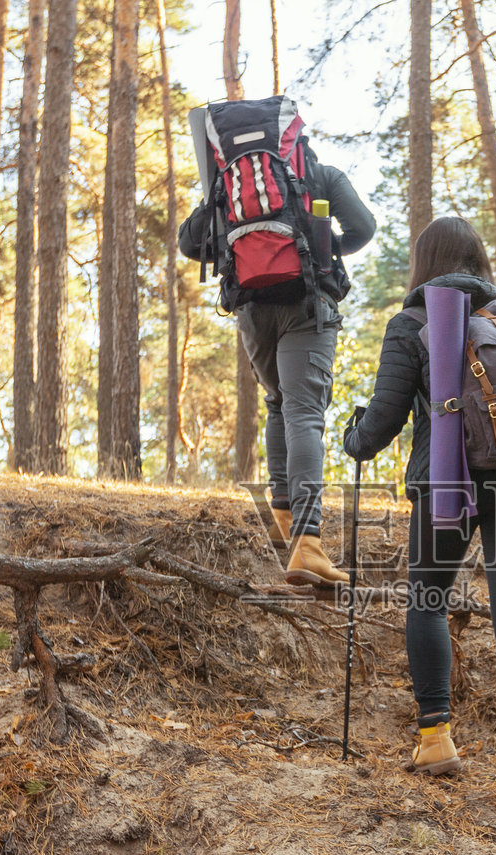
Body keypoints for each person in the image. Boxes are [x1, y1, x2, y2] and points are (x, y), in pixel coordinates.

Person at [343, 216, 496, 810]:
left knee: (428, 599)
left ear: (423, 263)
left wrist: (352, 436)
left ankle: (435, 739)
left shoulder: (411, 322)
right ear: (480, 260)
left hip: (447, 481)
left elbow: (380, 424)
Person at [179, 131, 376, 587]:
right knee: (304, 413)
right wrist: (321, 247)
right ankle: (307, 544)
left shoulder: (231, 184)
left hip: (251, 308)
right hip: (307, 303)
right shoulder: (322, 176)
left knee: (277, 401)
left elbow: (190, 245)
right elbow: (364, 228)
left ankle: (283, 514)